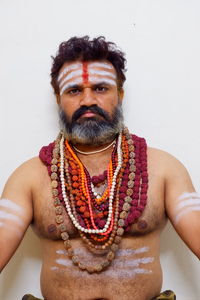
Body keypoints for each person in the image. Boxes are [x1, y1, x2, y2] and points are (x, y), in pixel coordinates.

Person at [0, 36, 199, 300]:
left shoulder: (163, 169)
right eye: (74, 91)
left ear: (120, 94)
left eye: (101, 88)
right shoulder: (30, 177)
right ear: (59, 98)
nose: (87, 101)